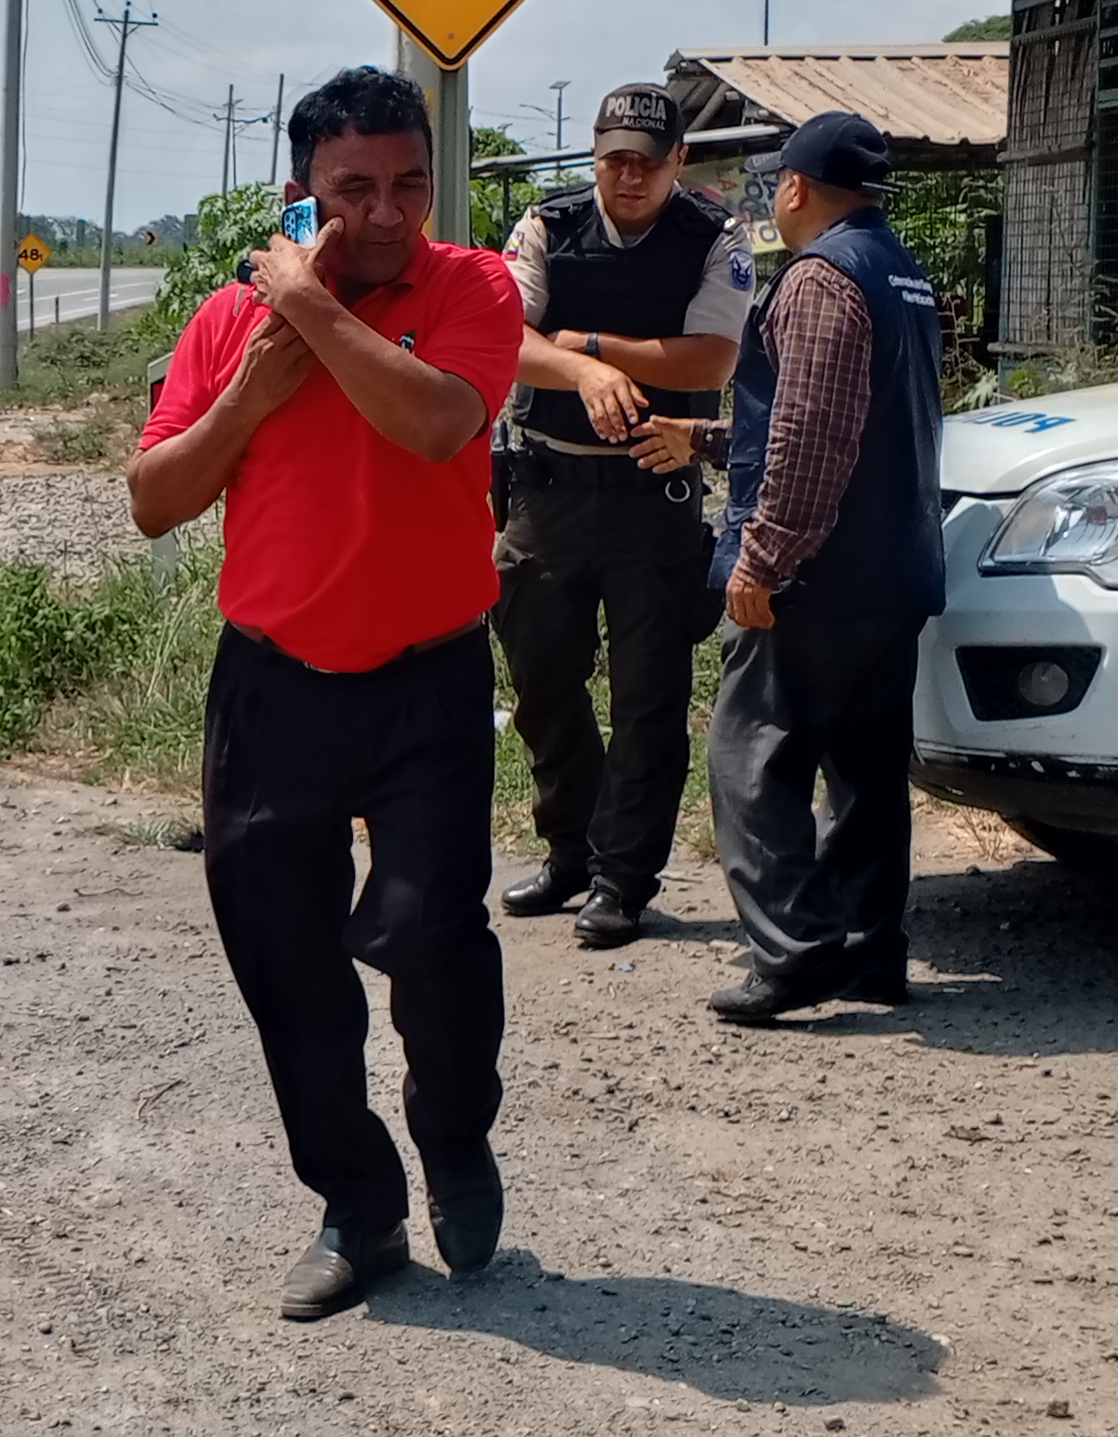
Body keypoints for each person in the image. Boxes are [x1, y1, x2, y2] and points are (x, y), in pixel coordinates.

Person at [130, 66, 523, 1321]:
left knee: (430, 937)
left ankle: (452, 1138)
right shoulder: (222, 326)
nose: (385, 212)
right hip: (271, 687)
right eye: (353, 188)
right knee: (284, 959)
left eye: (409, 183)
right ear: (301, 188)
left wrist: (304, 298)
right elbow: (154, 501)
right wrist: (255, 383)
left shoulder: (472, 287)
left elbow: (435, 424)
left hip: (426, 680)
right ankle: (359, 1207)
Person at [659, 109, 944, 1023]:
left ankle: (796, 949)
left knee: (750, 757)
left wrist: (764, 557)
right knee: (865, 774)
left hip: (816, 577)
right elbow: (846, 417)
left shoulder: (821, 276)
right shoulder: (901, 271)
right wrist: (709, 437)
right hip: (894, 571)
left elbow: (815, 435)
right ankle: (867, 949)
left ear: (792, 187)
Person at [492, 81, 752, 948]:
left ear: (679, 161)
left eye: (646, 162)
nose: (628, 177)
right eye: (613, 160)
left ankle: (622, 880)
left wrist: (591, 342)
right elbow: (505, 338)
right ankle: (570, 851)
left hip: (653, 498)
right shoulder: (547, 225)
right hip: (548, 490)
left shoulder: (714, 235)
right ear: (594, 157)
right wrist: (586, 373)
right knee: (541, 681)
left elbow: (711, 359)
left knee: (648, 700)